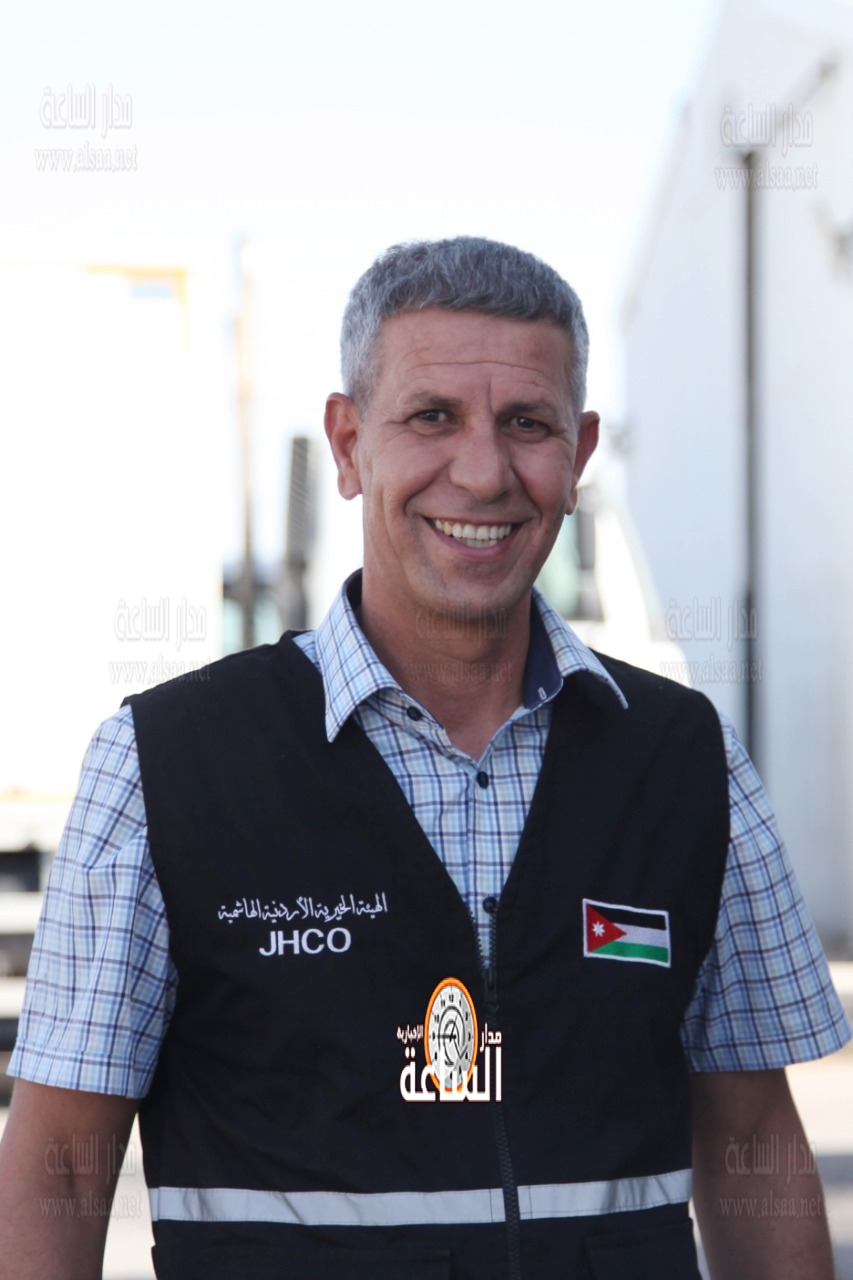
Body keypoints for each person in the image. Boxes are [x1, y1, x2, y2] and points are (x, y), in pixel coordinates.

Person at [0, 237, 848, 1280]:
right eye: (432, 417)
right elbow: (60, 1165)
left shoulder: (687, 762)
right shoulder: (163, 765)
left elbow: (751, 1134)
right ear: (348, 443)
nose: (482, 472)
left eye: (526, 423)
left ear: (578, 454)